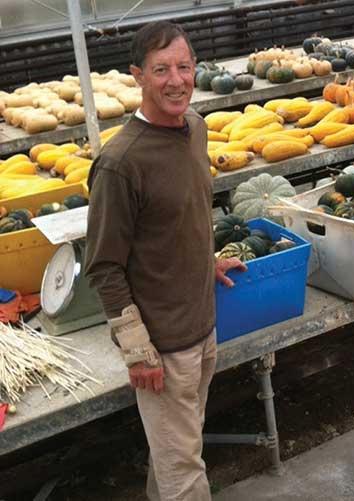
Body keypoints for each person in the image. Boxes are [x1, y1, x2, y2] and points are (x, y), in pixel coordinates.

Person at [85, 21, 246, 501]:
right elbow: (104, 267)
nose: (176, 80)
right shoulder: (120, 164)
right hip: (163, 346)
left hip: (203, 326)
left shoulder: (195, 128)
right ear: (137, 75)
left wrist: (207, 261)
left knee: (177, 449)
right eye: (161, 70)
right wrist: (138, 350)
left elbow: (185, 214)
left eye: (183, 66)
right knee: (185, 472)